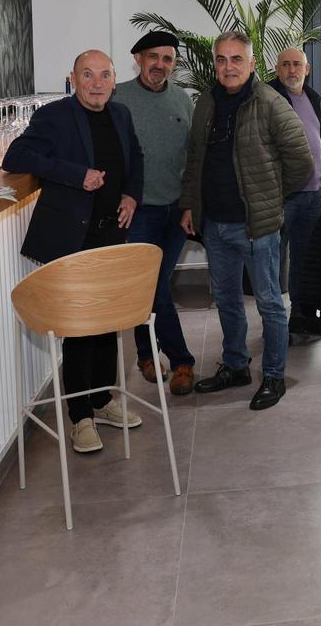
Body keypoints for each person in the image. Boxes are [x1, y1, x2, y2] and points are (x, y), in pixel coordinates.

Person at [3, 49, 144, 454]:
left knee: (106, 324)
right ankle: (79, 416)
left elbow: (137, 158)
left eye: (104, 75)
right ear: (73, 78)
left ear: (115, 81)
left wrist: (132, 195)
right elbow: (17, 156)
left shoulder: (121, 115)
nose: (96, 83)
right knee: (79, 329)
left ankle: (102, 401)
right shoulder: (54, 116)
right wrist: (75, 175)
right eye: (88, 75)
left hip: (111, 233)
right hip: (72, 238)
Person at [180, 31, 313, 411]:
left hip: (258, 226)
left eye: (237, 59)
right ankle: (236, 366)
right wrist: (190, 204)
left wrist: (270, 195)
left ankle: (274, 375)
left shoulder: (271, 102)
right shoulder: (206, 102)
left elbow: (300, 161)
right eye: (221, 59)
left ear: (252, 64)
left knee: (270, 303)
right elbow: (194, 159)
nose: (228, 66)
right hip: (215, 226)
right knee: (226, 299)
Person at [114, 31, 197, 395]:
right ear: (138, 59)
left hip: (176, 211)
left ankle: (147, 355)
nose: (160, 64)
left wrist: (191, 203)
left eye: (167, 58)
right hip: (139, 211)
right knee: (154, 285)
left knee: (152, 286)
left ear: (173, 64)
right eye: (153, 57)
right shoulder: (118, 98)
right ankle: (180, 361)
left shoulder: (182, 100)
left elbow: (193, 158)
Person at [268, 47, 321, 336]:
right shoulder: (268, 96)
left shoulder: (313, 98)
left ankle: (302, 315)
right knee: (272, 260)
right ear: (277, 69)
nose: (292, 70)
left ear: (307, 69)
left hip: (312, 193)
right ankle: (274, 323)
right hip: (282, 196)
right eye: (286, 65)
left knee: (305, 258)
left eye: (297, 65)